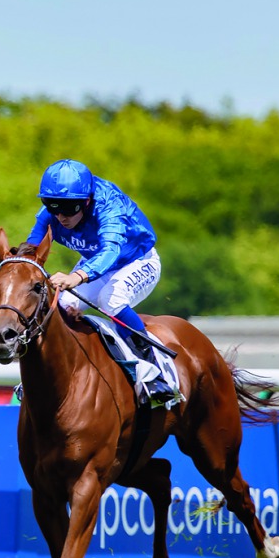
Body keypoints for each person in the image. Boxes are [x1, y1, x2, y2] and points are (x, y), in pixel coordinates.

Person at [25, 158, 177, 403]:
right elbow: (32, 250)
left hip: (137, 261)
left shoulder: (109, 206)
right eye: (53, 206)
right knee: (60, 306)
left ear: (86, 201)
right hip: (96, 261)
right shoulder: (53, 212)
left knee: (111, 299)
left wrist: (77, 276)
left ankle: (153, 373)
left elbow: (110, 251)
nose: (61, 216)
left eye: (70, 208)